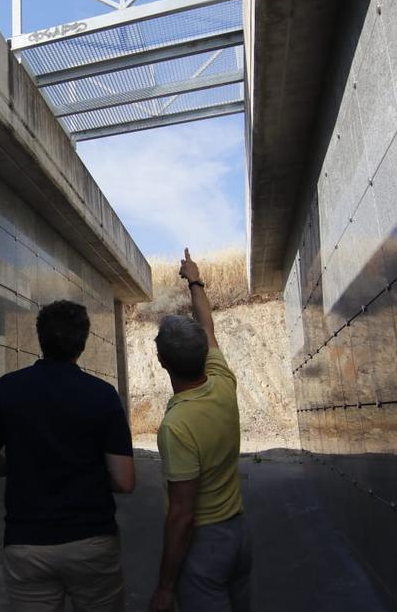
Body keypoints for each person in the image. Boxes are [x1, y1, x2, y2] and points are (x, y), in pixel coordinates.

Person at [0, 299, 136, 612]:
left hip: (27, 543)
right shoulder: (103, 395)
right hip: (91, 540)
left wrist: (17, 466)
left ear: (41, 338)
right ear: (83, 343)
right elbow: (125, 480)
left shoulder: (7, 388)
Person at [149, 249, 251, 612]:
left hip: (205, 545)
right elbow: (207, 325)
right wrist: (194, 279)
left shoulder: (176, 426)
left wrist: (165, 587)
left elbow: (182, 515)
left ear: (162, 362)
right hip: (238, 533)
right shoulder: (223, 380)